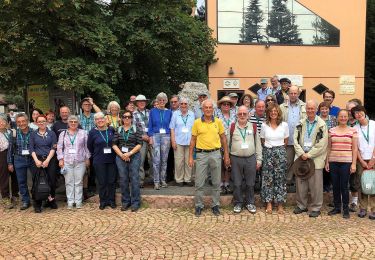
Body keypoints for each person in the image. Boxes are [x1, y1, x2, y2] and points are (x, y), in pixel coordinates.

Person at [189, 99, 230, 217]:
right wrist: (191, 157)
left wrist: (226, 155)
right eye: (205, 107)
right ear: (202, 109)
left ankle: (215, 205)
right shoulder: (197, 122)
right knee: (199, 182)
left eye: (210, 107)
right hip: (201, 155)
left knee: (217, 182)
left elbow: (223, 139)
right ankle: (198, 205)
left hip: (216, 154)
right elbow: (192, 140)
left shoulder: (218, 122)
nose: (208, 109)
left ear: (213, 109)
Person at [293, 100, 328, 218]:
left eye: (312, 108)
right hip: (301, 158)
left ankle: (316, 207)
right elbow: (295, 140)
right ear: (305, 109)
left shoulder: (321, 124)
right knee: (301, 183)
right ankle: (301, 205)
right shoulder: (300, 123)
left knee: (315, 185)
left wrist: (309, 154)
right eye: (308, 108)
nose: (310, 110)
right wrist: (302, 153)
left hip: (315, 159)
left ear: (316, 109)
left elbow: (322, 144)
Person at [229, 106, 262, 214]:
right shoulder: (232, 127)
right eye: (240, 114)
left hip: (250, 158)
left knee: (250, 182)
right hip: (235, 158)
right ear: (237, 115)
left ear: (248, 115)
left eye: (244, 114)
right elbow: (228, 144)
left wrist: (259, 159)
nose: (242, 116)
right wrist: (227, 158)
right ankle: (238, 202)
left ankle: (250, 202)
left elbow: (258, 144)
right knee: (237, 182)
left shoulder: (253, 126)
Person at [326, 109, 358, 219]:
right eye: (341, 116)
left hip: (346, 162)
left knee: (344, 186)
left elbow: (354, 148)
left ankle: (345, 208)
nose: (343, 118)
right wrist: (327, 162)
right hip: (333, 161)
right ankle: (337, 207)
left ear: (348, 118)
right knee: (335, 186)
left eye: (345, 116)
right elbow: (329, 147)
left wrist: (353, 164)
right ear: (338, 118)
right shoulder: (331, 130)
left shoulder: (352, 131)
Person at [260, 103, 289, 214]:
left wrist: (278, 149)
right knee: (268, 178)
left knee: (280, 178)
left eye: (275, 111)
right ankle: (269, 203)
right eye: (271, 111)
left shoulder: (284, 125)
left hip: (280, 152)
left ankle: (280, 203)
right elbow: (262, 140)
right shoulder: (264, 125)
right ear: (268, 113)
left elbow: (286, 140)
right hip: (268, 152)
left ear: (278, 113)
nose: (273, 113)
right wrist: (270, 149)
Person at [57, 115, 90, 209]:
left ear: (78, 123)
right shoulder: (63, 134)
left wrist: (87, 158)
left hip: (80, 161)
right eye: (71, 121)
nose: (73, 123)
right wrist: (61, 159)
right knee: (68, 182)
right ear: (68, 123)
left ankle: (78, 201)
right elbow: (59, 148)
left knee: (79, 182)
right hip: (67, 161)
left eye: (75, 121)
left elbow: (86, 147)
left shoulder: (83, 133)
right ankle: (70, 201)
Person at [112, 110, 143, 212]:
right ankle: (125, 202)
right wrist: (122, 155)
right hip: (121, 157)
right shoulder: (118, 129)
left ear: (131, 118)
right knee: (123, 179)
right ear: (122, 118)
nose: (126, 119)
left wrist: (129, 154)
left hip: (134, 156)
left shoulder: (136, 129)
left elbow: (139, 144)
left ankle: (135, 202)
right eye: (125, 117)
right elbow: (114, 144)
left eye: (129, 117)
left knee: (134, 178)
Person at [87, 112, 117, 210]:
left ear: (105, 119)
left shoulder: (111, 129)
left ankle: (111, 201)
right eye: (97, 119)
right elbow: (89, 146)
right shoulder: (92, 132)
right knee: (102, 181)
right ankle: (103, 201)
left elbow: (116, 142)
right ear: (95, 121)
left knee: (111, 181)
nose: (100, 120)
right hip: (99, 160)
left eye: (101, 118)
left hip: (112, 159)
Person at [29, 115, 58, 213]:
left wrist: (47, 160)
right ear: (36, 123)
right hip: (36, 159)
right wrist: (36, 160)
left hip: (50, 159)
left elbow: (53, 147)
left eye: (43, 121)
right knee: (37, 181)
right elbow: (31, 148)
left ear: (46, 122)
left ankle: (51, 200)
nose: (42, 123)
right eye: (39, 121)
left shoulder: (52, 133)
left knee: (52, 180)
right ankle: (38, 203)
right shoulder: (33, 134)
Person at [351, 106, 375, 219]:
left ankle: (374, 209)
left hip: (374, 158)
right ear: (354, 116)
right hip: (361, 160)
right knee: (362, 183)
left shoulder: (373, 124)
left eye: (360, 112)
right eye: (355, 113)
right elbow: (355, 147)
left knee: (374, 183)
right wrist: (361, 161)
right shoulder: (355, 128)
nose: (358, 114)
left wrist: (372, 159)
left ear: (364, 112)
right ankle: (363, 208)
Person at [280, 85, 306, 184]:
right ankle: (287, 181)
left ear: (299, 94)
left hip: (300, 140)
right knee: (288, 162)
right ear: (288, 94)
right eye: (291, 93)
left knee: (300, 162)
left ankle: (298, 182)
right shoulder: (282, 107)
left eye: (295, 93)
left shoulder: (304, 106)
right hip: (288, 139)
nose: (293, 95)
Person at [7, 113, 33, 210]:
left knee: (34, 180)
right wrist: (10, 162)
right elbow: (10, 149)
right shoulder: (13, 134)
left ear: (27, 121)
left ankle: (36, 198)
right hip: (19, 159)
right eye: (19, 122)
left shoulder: (33, 132)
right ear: (17, 123)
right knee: (21, 182)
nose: (21, 123)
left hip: (32, 159)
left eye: (23, 121)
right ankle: (26, 201)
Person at [148, 92, 172, 190]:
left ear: (166, 101)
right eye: (160, 100)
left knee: (164, 160)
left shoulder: (169, 112)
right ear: (157, 101)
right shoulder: (152, 111)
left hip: (166, 136)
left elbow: (171, 126)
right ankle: (156, 181)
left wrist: (171, 136)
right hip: (155, 136)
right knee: (156, 159)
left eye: (163, 100)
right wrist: (150, 137)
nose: (161, 101)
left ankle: (163, 180)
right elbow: (149, 125)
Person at [170, 97, 195, 186]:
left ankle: (187, 179)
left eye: (185, 104)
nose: (183, 105)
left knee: (189, 161)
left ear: (188, 105)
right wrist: (173, 141)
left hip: (189, 141)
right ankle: (179, 179)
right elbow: (172, 128)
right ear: (179, 105)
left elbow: (194, 129)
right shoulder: (175, 114)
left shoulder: (192, 114)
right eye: (181, 104)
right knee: (178, 161)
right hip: (178, 141)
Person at [216, 96, 236, 194]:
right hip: (219, 141)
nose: (226, 106)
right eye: (224, 104)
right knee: (220, 163)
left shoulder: (234, 114)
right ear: (221, 105)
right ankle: (220, 184)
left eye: (228, 104)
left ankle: (227, 183)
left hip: (231, 141)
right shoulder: (217, 115)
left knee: (228, 163)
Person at [0, 114, 19, 209]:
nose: (1, 123)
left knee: (15, 175)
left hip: (13, 154)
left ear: (7, 123)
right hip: (2, 155)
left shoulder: (12, 132)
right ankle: (5, 197)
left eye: (3, 121)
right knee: (4, 176)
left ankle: (15, 195)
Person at [318, 101, 337, 193]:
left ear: (329, 110)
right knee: (321, 166)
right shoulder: (317, 119)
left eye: (326, 109)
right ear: (319, 110)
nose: (324, 111)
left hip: (332, 146)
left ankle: (329, 186)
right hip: (320, 147)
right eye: (322, 109)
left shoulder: (334, 119)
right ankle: (322, 186)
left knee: (330, 166)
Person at [133, 94, 151, 188]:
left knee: (155, 160)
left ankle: (154, 179)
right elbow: (133, 129)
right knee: (140, 161)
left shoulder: (150, 112)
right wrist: (142, 136)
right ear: (136, 103)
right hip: (141, 140)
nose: (142, 103)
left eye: (143, 101)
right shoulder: (133, 114)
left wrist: (150, 137)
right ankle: (140, 181)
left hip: (152, 139)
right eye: (139, 101)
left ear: (146, 102)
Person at [346, 100, 360, 212]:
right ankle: (343, 199)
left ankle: (354, 201)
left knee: (354, 180)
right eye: (347, 109)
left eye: (352, 110)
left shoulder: (360, 123)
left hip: (358, 155)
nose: (349, 112)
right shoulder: (342, 121)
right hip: (344, 154)